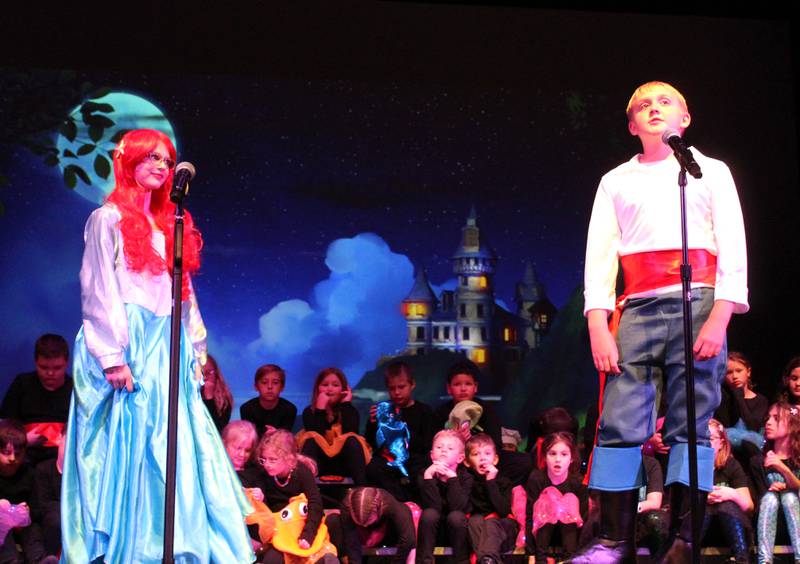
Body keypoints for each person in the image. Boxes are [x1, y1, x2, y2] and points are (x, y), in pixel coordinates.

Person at [574, 81, 748, 563]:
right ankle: (613, 541)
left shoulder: (710, 172)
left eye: (664, 101)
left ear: (684, 119)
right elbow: (601, 255)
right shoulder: (616, 180)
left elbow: (733, 245)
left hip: (699, 302)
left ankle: (683, 539)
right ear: (632, 126)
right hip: (638, 307)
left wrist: (721, 314)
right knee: (619, 421)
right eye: (642, 106)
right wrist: (596, 322)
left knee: (691, 421)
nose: (654, 109)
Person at [61, 129, 254, 562]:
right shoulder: (106, 219)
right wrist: (112, 358)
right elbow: (98, 288)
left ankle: (176, 545)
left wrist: (196, 350)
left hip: (166, 342)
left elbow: (182, 293)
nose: (161, 167)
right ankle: (130, 549)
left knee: (175, 444)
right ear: (128, 161)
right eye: (151, 158)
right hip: (126, 341)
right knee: (130, 445)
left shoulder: (170, 225)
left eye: (166, 161)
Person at [248, 429, 338, 564]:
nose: (266, 464)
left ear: (289, 459)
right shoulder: (264, 474)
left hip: (304, 525)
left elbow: (315, 504)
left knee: (320, 557)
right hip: (281, 531)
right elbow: (265, 513)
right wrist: (260, 499)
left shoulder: (301, 472)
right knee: (272, 560)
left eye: (272, 460)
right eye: (264, 459)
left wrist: (307, 535)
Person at [365, 361, 435, 501]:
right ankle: (400, 503)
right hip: (388, 460)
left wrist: (400, 426)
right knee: (374, 467)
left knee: (422, 470)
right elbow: (373, 444)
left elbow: (427, 445)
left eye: (401, 387)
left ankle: (410, 503)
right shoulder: (383, 411)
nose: (397, 392)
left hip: (415, 459)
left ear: (412, 384)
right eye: (392, 388)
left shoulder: (424, 412)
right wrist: (373, 424)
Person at [0, 334, 73, 463]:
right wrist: (24, 440)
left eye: (57, 368)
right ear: (35, 362)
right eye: (44, 367)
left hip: (64, 457)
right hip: (24, 455)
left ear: (66, 363)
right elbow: (5, 424)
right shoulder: (22, 384)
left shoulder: (75, 389)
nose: (50, 373)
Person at [297, 367, 370, 485]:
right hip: (320, 463)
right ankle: (307, 492)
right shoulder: (309, 412)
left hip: (342, 463)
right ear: (317, 388)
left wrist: (346, 404)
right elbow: (317, 436)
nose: (330, 389)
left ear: (343, 389)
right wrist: (320, 408)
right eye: (325, 385)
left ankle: (362, 491)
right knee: (311, 439)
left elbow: (350, 434)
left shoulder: (350, 410)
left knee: (352, 440)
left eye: (335, 385)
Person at [525, 432, 587, 563]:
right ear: (545, 457)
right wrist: (530, 554)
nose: (558, 459)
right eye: (552, 454)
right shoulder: (537, 479)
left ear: (571, 458)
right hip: (542, 536)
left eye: (564, 454)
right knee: (549, 498)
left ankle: (569, 559)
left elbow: (583, 519)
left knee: (568, 499)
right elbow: (530, 516)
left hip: (570, 537)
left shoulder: (577, 482)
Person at [753, 402, 800, 564]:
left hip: (795, 518)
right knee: (770, 498)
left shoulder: (798, 459)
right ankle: (764, 560)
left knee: (789, 498)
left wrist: (783, 469)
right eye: (768, 418)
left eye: (776, 418)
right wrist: (770, 490)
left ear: (792, 425)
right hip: (769, 521)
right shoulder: (758, 460)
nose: (768, 422)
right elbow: (755, 500)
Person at [417, 429, 472, 564]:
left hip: (457, 533)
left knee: (456, 516)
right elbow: (433, 507)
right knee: (429, 513)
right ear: (432, 455)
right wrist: (429, 477)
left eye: (450, 448)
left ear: (460, 458)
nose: (444, 451)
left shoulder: (466, 478)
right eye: (439, 447)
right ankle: (425, 561)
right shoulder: (425, 475)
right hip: (432, 532)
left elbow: (457, 507)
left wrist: (452, 478)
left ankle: (461, 561)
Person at [703, 419, 754, 564]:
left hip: (729, 527)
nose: (706, 443)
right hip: (702, 529)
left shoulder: (731, 465)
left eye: (711, 439)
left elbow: (749, 506)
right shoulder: (690, 467)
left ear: (721, 443)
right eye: (701, 439)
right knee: (704, 508)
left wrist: (731, 494)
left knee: (726, 505)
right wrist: (702, 498)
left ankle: (742, 559)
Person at [463, 433, 517, 564]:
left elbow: (503, 512)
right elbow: (469, 509)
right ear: (467, 462)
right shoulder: (468, 482)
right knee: (474, 521)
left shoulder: (503, 481)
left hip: (503, 529)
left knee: (491, 522)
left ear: (495, 459)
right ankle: (487, 560)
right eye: (476, 454)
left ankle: (487, 559)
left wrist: (490, 482)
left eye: (487, 454)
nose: (482, 458)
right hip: (481, 530)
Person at [0, 420, 46, 563]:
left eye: (18, 453)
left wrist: (27, 512)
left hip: (22, 525)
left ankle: (40, 561)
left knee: (33, 531)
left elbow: (38, 510)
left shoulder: (29, 474)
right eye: (6, 453)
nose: (13, 458)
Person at [340, 487, 417, 564]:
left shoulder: (390, 504)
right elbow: (351, 540)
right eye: (361, 523)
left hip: (387, 533)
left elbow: (408, 539)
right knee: (334, 520)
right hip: (361, 537)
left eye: (367, 521)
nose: (365, 526)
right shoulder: (347, 506)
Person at [715, 351, 768, 450]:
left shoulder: (761, 401)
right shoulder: (722, 399)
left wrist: (739, 395)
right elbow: (722, 429)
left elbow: (752, 428)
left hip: (752, 451)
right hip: (728, 451)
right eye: (729, 372)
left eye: (739, 371)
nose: (734, 376)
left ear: (748, 372)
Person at [240, 364, 298, 436]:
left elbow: (285, 437)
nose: (270, 387)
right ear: (256, 387)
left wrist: (276, 434)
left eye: (275, 383)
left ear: (282, 387)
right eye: (264, 382)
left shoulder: (290, 409)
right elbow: (249, 438)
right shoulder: (246, 409)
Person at [201, 353, 234, 432]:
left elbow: (217, 431)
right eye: (201, 372)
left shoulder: (224, 401)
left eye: (209, 372)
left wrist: (209, 398)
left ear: (217, 375)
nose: (205, 377)